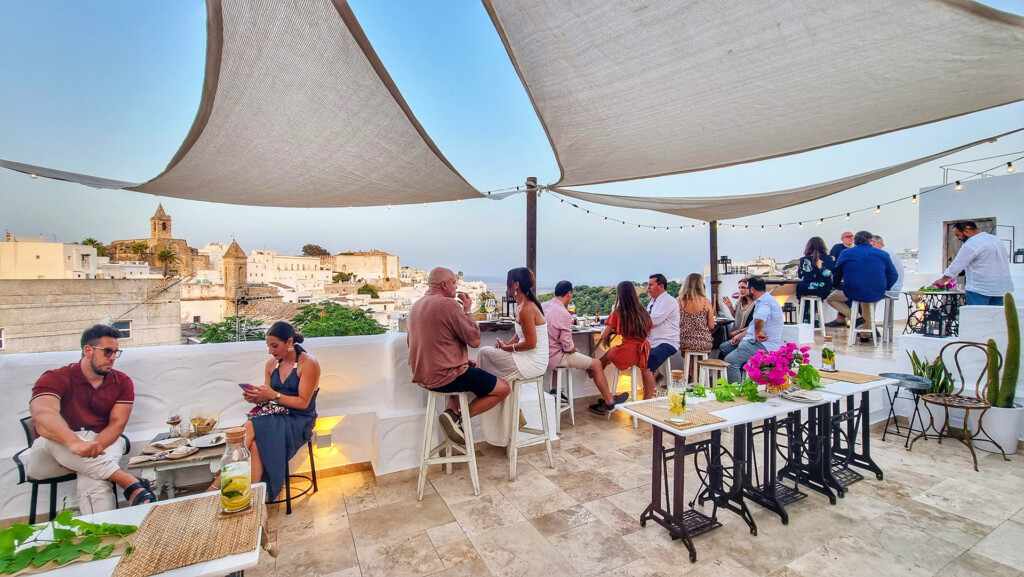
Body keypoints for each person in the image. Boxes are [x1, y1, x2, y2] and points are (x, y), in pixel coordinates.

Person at [28, 324, 156, 513]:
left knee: (94, 481)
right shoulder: (55, 378)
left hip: (103, 441)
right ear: (87, 350)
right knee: (52, 439)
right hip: (54, 450)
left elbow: (117, 424)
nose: (112, 358)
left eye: (115, 352)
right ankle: (129, 481)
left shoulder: (122, 381)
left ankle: (101, 537)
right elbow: (43, 416)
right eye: (107, 352)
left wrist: (91, 449)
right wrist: (73, 444)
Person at [407, 267, 510, 446]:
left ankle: (453, 411)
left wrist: (459, 360)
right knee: (503, 388)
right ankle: (455, 417)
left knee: (470, 371)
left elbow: (433, 342)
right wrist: (468, 310)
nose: (456, 287)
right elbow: (475, 340)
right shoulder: (447, 304)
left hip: (424, 376)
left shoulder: (416, 306)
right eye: (454, 283)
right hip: (446, 376)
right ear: (444, 284)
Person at [221, 321, 319, 501]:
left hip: (298, 418)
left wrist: (273, 394)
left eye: (274, 346)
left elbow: (304, 403)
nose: (271, 351)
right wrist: (256, 396)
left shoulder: (308, 363)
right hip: (275, 414)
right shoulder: (271, 365)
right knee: (255, 446)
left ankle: (221, 484)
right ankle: (250, 500)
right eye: (269, 346)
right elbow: (268, 397)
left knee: (250, 425)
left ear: (289, 342)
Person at [477, 267, 548, 445]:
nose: (506, 286)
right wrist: (507, 345)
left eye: (508, 282)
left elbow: (531, 343)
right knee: (491, 360)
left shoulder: (527, 308)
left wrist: (508, 349)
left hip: (533, 361)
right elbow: (521, 336)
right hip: (526, 357)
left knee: (484, 353)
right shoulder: (521, 306)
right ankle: (510, 408)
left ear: (515, 284)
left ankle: (485, 398)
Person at [542, 280, 626, 414]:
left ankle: (555, 390)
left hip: (543, 354)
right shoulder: (563, 313)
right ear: (570, 294)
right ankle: (610, 401)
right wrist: (573, 350)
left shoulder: (544, 306)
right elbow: (567, 345)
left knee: (567, 351)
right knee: (597, 363)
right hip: (556, 357)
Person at [827, 230, 899, 340]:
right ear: (871, 241)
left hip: (853, 290)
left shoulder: (846, 253)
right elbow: (893, 274)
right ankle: (865, 336)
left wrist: (835, 285)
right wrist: (885, 287)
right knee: (868, 306)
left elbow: (837, 272)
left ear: (855, 241)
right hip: (876, 291)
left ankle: (856, 317)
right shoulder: (883, 254)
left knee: (831, 299)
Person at [595, 281, 655, 411]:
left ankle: (594, 371)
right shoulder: (643, 312)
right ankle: (647, 401)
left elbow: (604, 335)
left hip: (628, 351)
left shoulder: (618, 313)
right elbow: (649, 328)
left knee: (609, 354)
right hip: (643, 351)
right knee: (646, 369)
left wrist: (611, 329)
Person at [718, 277, 784, 383]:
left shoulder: (764, 303)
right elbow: (754, 324)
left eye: (747, 288)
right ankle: (739, 374)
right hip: (750, 340)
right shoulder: (765, 300)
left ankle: (737, 392)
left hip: (761, 344)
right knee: (725, 348)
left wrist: (757, 332)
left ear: (752, 289)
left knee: (730, 361)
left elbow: (760, 318)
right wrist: (740, 336)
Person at [934, 221, 1013, 306]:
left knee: (976, 317)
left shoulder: (971, 244)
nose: (958, 238)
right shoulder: (995, 239)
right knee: (994, 318)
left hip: (979, 289)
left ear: (967, 231)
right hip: (1001, 289)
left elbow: (957, 265)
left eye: (957, 235)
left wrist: (943, 279)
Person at [645, 273, 680, 380]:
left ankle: (650, 387)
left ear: (661, 286)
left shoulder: (668, 301)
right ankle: (655, 376)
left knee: (648, 359)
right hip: (653, 342)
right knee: (636, 353)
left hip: (667, 342)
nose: (648, 288)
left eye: (651, 285)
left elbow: (652, 321)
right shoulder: (652, 302)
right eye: (648, 285)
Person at [796, 237, 836, 322]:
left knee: (802, 291)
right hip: (824, 289)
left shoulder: (804, 260)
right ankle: (815, 315)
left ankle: (807, 319)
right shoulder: (830, 259)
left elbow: (800, 275)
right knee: (817, 294)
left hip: (808, 288)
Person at [677, 272, 715, 355]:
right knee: (700, 362)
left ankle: (690, 368)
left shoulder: (679, 301)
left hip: (685, 342)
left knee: (689, 360)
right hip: (704, 343)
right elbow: (711, 326)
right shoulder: (706, 301)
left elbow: (677, 323)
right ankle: (699, 368)